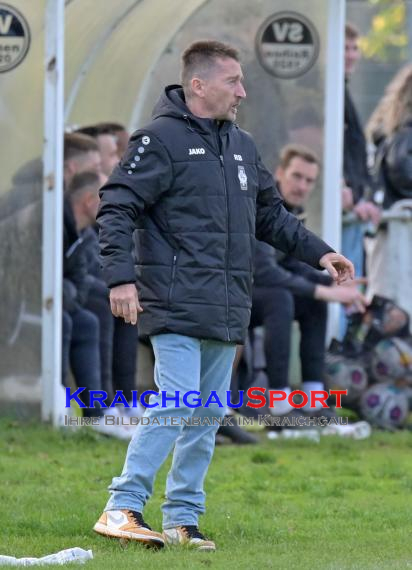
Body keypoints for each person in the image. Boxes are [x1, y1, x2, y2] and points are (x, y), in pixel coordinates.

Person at [93, 40, 354, 550]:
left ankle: (182, 520)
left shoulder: (243, 145)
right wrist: (120, 279)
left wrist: (321, 254)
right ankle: (121, 507)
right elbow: (116, 207)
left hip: (227, 304)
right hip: (172, 301)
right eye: (233, 81)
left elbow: (272, 218)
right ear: (198, 85)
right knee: (176, 403)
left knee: (207, 415)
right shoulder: (158, 140)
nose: (242, 91)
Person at [250, 144, 368, 420]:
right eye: (296, 176)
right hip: (233, 295)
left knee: (313, 303)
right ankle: (278, 405)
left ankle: (314, 400)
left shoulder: (292, 209)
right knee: (281, 298)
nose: (302, 186)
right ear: (280, 172)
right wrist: (322, 291)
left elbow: (290, 265)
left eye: (309, 180)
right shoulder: (264, 207)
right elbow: (265, 272)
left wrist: (332, 286)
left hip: (259, 293)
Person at [364, 64, 412, 300]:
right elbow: (403, 173)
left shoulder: (392, 131)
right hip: (399, 227)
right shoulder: (404, 135)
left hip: (390, 227)